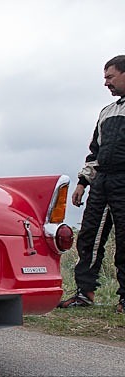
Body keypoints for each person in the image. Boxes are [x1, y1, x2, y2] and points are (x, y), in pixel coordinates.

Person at [58, 55, 125, 311]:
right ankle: (84, 294)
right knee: (88, 239)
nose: (106, 83)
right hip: (102, 182)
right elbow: (94, 153)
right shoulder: (106, 112)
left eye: (110, 77)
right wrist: (81, 183)